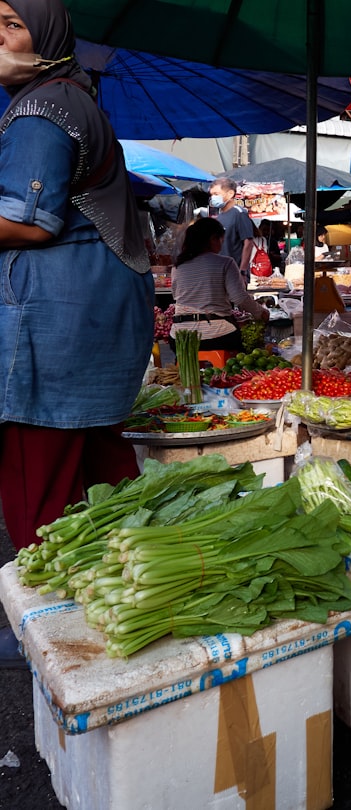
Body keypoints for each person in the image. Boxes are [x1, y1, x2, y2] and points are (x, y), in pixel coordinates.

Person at [0, 0, 154, 567]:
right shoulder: (72, 98)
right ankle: (89, 623)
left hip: (57, 327)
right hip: (96, 322)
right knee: (102, 489)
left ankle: (46, 625)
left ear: (47, 36)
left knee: (40, 495)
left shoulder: (40, 108)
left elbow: (29, 222)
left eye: (13, 25)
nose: (0, 38)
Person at [169, 217, 269, 352]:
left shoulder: (178, 266)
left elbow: (176, 295)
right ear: (213, 239)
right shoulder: (225, 263)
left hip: (179, 336)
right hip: (217, 336)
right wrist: (260, 312)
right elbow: (239, 298)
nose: (222, 245)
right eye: (221, 240)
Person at [207, 177, 257, 282]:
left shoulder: (239, 213)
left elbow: (248, 243)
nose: (213, 198)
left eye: (216, 194)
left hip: (235, 275)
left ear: (230, 194)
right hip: (219, 274)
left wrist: (242, 271)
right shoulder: (219, 216)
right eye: (211, 195)